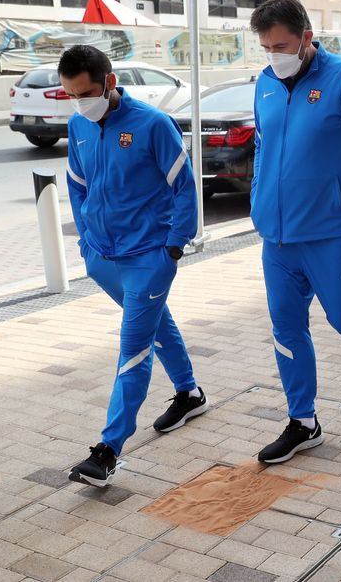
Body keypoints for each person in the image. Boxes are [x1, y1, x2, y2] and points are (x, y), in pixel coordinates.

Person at [249, 0, 341, 464]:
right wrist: (258, 200)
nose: (276, 55)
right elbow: (262, 145)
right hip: (277, 239)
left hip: (336, 235)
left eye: (283, 45)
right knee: (286, 326)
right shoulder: (266, 83)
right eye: (267, 47)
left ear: (307, 38)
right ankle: (303, 421)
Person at [61, 45, 205, 487]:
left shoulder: (153, 125)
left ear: (109, 82)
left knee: (134, 346)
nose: (79, 103)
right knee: (155, 323)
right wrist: (87, 241)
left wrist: (173, 249)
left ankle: (107, 450)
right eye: (70, 95)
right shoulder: (79, 124)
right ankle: (190, 392)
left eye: (85, 92)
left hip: (149, 258)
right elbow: (77, 184)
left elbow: (184, 188)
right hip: (103, 257)